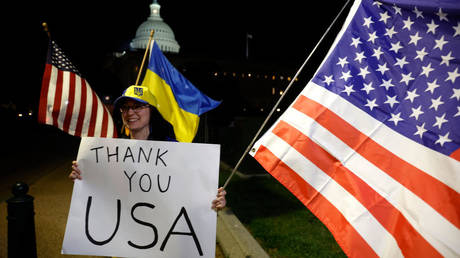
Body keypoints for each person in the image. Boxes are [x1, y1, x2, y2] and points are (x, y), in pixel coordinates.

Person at [69, 85, 226, 211]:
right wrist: (85, 177)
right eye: (125, 107)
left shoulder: (173, 150)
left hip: (164, 239)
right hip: (123, 239)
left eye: (137, 106)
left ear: (152, 111)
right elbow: (104, 191)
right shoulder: (112, 151)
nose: (130, 112)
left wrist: (213, 200)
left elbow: (191, 191)